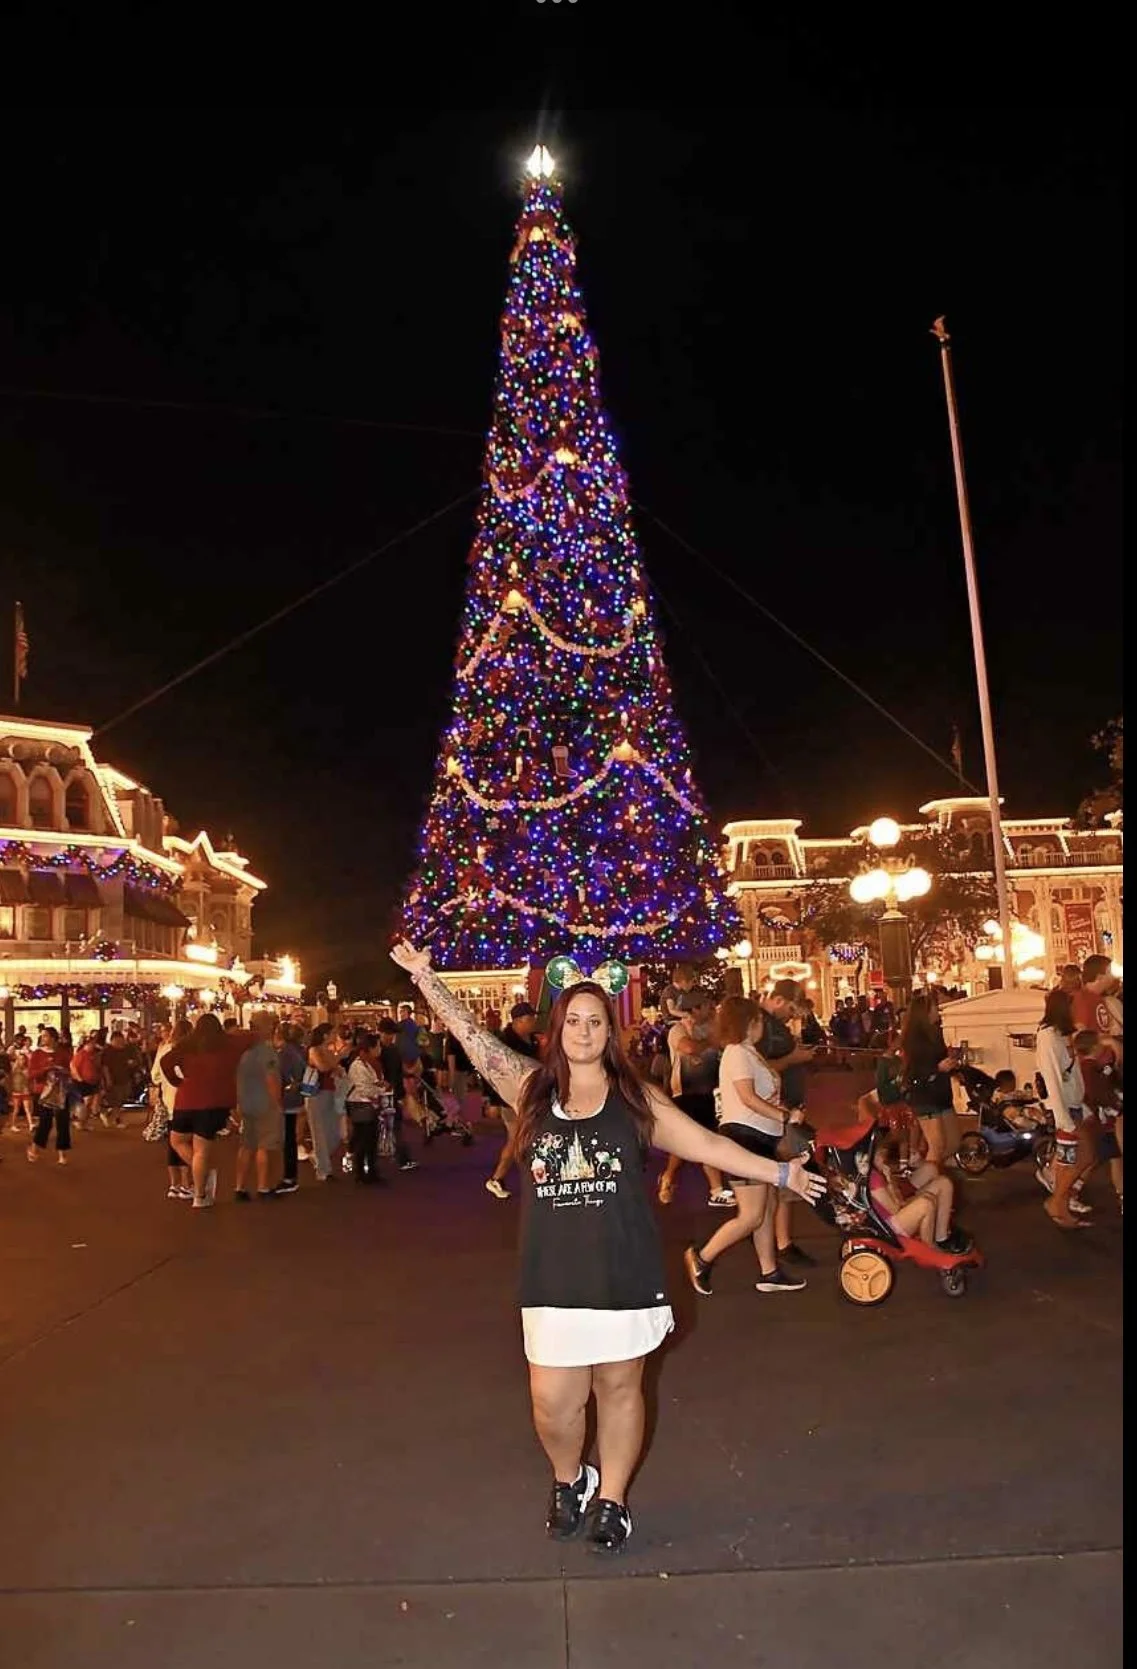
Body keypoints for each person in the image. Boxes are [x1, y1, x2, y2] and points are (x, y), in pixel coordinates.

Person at [390, 937, 824, 1554]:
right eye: (574, 1020)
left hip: (624, 1267)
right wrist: (426, 978)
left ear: (610, 1031)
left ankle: (613, 1498)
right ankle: (571, 1477)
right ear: (557, 1029)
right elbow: (472, 1039)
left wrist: (781, 1173)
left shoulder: (635, 1098)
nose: (585, 1031)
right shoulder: (530, 1089)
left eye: (596, 1021)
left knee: (620, 1389)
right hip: (553, 1272)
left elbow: (706, 1144)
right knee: (552, 1403)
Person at [683, 996, 808, 1298]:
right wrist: (784, 1116)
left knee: (766, 1207)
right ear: (750, 1022)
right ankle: (702, 1258)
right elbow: (747, 1098)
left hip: (760, 1137)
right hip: (746, 1138)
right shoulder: (737, 1053)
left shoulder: (748, 1052)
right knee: (752, 1214)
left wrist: (784, 1114)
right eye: (759, 1019)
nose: (763, 1023)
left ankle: (769, 1272)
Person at [162, 1014, 250, 1208]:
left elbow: (165, 1062)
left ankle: (201, 1181)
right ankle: (200, 1193)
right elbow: (250, 1037)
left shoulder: (187, 1045)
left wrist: (177, 1081)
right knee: (201, 1148)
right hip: (215, 1101)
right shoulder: (228, 1045)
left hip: (187, 1099)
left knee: (177, 1141)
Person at [656, 991, 732, 1208]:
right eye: (706, 1006)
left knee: (707, 1138)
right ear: (695, 1009)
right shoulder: (678, 1029)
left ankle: (715, 1190)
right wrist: (710, 1041)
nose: (711, 1010)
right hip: (686, 1093)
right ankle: (670, 1176)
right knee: (689, 1141)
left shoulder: (710, 1029)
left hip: (710, 1093)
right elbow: (688, 1047)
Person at [1035, 987, 1088, 1230]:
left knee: (1082, 1156)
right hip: (1063, 1108)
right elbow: (1052, 1078)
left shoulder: (1062, 1035)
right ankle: (1057, 1203)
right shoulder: (1048, 1037)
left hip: (1073, 1104)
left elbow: (1072, 1074)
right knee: (1071, 1161)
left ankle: (1060, 1201)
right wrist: (1062, 1117)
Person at [869, 1131, 969, 1251]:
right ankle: (929, 1250)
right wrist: (890, 1181)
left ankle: (942, 1238)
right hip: (889, 1227)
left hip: (896, 1214)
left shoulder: (879, 1173)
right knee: (926, 1203)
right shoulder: (873, 1178)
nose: (883, 1158)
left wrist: (891, 1181)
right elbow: (895, 1209)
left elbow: (898, 1198)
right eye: (880, 1155)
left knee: (943, 1183)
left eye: (883, 1154)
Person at [486, 1002, 542, 1200]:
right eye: (530, 1018)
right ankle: (497, 1178)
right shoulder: (505, 1043)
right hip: (510, 1100)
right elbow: (493, 1072)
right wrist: (493, 1101)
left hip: (528, 1097)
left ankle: (525, 1177)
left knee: (524, 1138)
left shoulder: (532, 1040)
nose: (534, 1021)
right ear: (518, 1021)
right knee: (517, 1138)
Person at [897, 990, 959, 1169]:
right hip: (924, 1095)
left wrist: (951, 1064)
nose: (937, 1011)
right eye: (934, 1008)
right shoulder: (914, 1040)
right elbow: (913, 1071)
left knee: (953, 1143)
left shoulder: (935, 1034)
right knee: (937, 1145)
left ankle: (929, 1170)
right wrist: (937, 1068)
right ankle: (927, 1179)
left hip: (940, 1093)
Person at [233, 1012, 284, 1202]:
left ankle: (240, 1186)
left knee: (247, 1146)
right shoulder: (267, 1052)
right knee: (265, 1146)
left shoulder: (245, 1053)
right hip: (265, 1104)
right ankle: (263, 1186)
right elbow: (271, 1079)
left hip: (247, 1103)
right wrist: (278, 1102)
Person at [344, 1033, 388, 1186]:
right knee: (364, 1139)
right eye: (377, 1046)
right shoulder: (358, 1066)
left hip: (366, 1104)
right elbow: (363, 1088)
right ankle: (361, 1173)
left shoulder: (367, 1064)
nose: (380, 1049)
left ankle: (369, 1171)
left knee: (369, 1139)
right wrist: (381, 1090)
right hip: (360, 1105)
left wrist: (379, 1087)